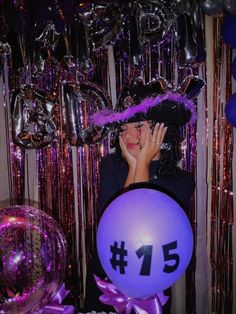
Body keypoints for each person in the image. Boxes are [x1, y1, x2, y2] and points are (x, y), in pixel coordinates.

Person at [83, 77, 196, 313]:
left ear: (161, 129)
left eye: (138, 126)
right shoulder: (111, 166)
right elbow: (119, 224)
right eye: (123, 128)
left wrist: (142, 162)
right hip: (107, 281)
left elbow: (143, 222)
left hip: (151, 289)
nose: (128, 135)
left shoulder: (181, 181)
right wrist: (138, 164)